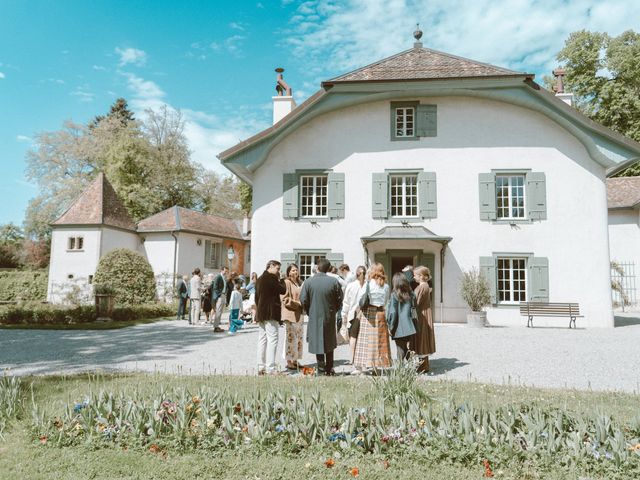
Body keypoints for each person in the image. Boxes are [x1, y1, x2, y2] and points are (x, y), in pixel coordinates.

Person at [300, 258, 344, 376]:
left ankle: (321, 369)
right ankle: (329, 368)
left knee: (318, 341)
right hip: (329, 314)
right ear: (329, 268)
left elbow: (303, 300)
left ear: (317, 268)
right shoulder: (334, 281)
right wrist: (333, 309)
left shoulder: (308, 282)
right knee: (329, 341)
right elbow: (340, 299)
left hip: (314, 314)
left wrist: (310, 310)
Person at [353, 263, 392, 372]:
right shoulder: (386, 286)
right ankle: (377, 366)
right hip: (380, 313)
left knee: (365, 341)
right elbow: (385, 302)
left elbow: (360, 299)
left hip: (369, 312)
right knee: (379, 340)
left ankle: (364, 366)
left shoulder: (368, 284)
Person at [255, 260, 286, 375]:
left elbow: (256, 298)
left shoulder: (259, 279)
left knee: (262, 340)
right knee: (273, 340)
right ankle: (271, 368)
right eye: (277, 269)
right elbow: (283, 290)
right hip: (271, 312)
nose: (278, 271)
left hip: (261, 312)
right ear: (271, 266)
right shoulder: (272, 279)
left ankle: (260, 367)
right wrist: (282, 279)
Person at [386, 273, 418, 361]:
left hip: (398, 327)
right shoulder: (411, 294)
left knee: (400, 349)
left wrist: (390, 327)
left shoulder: (394, 295)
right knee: (405, 348)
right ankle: (411, 365)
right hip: (411, 326)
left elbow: (393, 312)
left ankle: (400, 370)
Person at [341, 265, 367, 371]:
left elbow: (346, 303)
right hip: (365, 314)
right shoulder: (368, 285)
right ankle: (363, 362)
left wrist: (344, 316)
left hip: (353, 314)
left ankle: (353, 360)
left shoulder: (351, 286)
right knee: (363, 339)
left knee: (353, 337)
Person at [280, 263, 303, 370]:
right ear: (289, 272)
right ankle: (289, 361)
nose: (295, 272)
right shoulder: (286, 282)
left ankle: (295, 360)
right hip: (290, 314)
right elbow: (284, 299)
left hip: (299, 314)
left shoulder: (300, 282)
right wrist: (297, 303)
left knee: (298, 338)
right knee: (290, 338)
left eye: (296, 270)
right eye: (293, 270)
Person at [413, 265, 436, 372]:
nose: (414, 277)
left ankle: (423, 365)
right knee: (423, 337)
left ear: (421, 276)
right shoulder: (425, 286)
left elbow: (416, 302)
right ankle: (424, 364)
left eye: (415, 275)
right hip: (424, 312)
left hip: (422, 314)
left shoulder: (422, 287)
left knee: (422, 337)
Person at [211, 266, 229, 333]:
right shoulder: (218, 277)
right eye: (225, 271)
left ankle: (217, 326)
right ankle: (215, 327)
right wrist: (219, 294)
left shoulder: (224, 277)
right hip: (220, 295)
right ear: (221, 270)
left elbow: (225, 286)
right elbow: (215, 287)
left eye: (227, 271)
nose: (226, 272)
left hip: (223, 295)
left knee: (220, 311)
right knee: (218, 311)